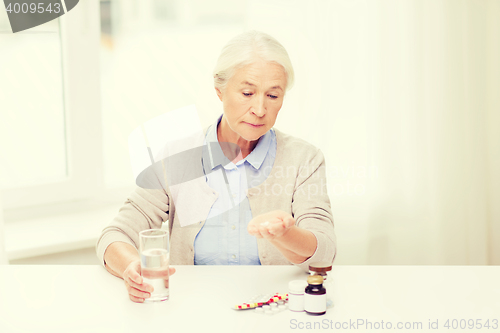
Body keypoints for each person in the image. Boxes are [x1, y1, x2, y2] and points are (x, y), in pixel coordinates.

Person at [96, 30, 336, 303]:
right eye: (247, 92)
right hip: (191, 309)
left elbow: (325, 251)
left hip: (273, 312)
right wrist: (131, 267)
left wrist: (286, 235)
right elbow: (115, 235)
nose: (259, 109)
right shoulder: (177, 157)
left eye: (272, 96)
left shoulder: (304, 159)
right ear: (219, 90)